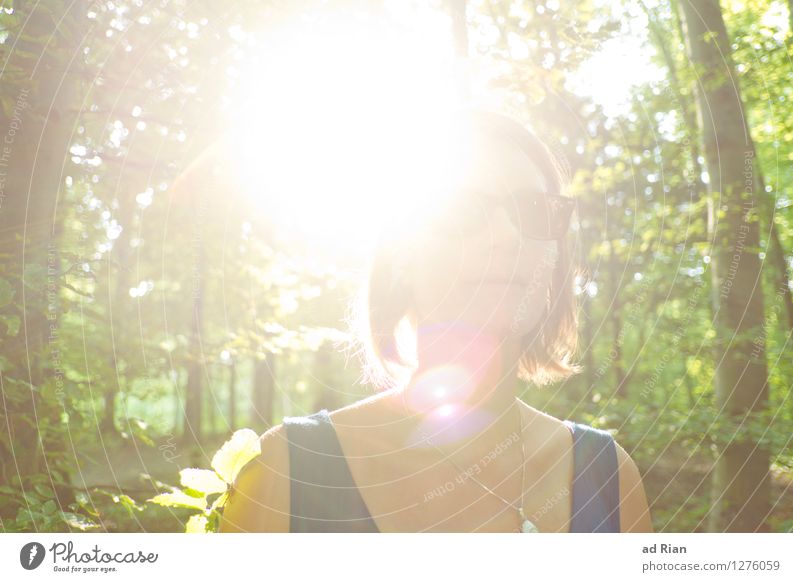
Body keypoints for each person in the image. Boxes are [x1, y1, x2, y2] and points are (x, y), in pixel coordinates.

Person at [220, 108, 653, 533]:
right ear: (402, 259)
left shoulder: (607, 478)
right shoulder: (289, 472)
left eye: (535, 211)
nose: (508, 235)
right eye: (461, 210)